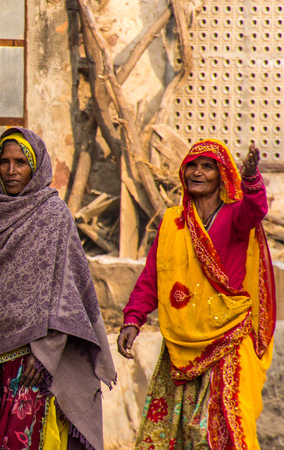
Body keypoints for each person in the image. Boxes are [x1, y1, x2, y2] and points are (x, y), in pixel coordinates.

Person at [0, 128, 117, 450]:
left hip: (33, 365)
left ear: (36, 167)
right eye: (4, 162)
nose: (12, 171)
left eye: (21, 162)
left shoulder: (53, 216)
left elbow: (67, 294)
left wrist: (46, 353)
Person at [118, 140, 276, 450]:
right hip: (181, 344)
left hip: (228, 338)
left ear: (222, 175)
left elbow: (256, 210)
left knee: (224, 430)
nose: (197, 172)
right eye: (192, 165)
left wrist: (252, 179)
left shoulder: (235, 217)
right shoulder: (172, 223)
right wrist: (132, 320)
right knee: (179, 434)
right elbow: (153, 277)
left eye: (207, 166)